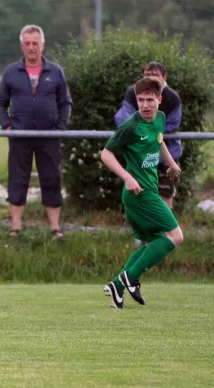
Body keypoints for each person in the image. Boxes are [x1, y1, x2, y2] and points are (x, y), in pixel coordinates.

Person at [101, 77, 183, 309]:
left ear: (159, 99)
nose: (145, 105)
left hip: (149, 191)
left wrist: (172, 164)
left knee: (153, 242)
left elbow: (159, 141)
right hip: (139, 194)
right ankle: (130, 277)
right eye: (140, 100)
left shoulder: (160, 119)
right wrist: (127, 177)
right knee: (175, 236)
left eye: (150, 100)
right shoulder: (130, 126)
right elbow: (105, 154)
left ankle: (118, 286)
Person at [0, 24, 72, 240]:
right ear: (22, 46)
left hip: (49, 137)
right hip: (20, 137)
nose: (31, 47)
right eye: (27, 43)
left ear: (42, 45)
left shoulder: (56, 72)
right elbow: (0, 103)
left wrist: (60, 128)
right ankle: (15, 228)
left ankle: (55, 228)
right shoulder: (11, 72)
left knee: (52, 179)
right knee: (18, 179)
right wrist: (7, 126)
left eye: (35, 43)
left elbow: (65, 103)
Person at [115, 62, 182, 209]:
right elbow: (124, 117)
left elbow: (173, 123)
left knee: (165, 191)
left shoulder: (172, 97)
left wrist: (146, 129)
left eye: (155, 75)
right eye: (147, 74)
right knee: (140, 192)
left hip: (166, 154)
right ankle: (145, 229)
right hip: (140, 153)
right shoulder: (132, 93)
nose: (151, 77)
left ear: (164, 77)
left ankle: (165, 229)